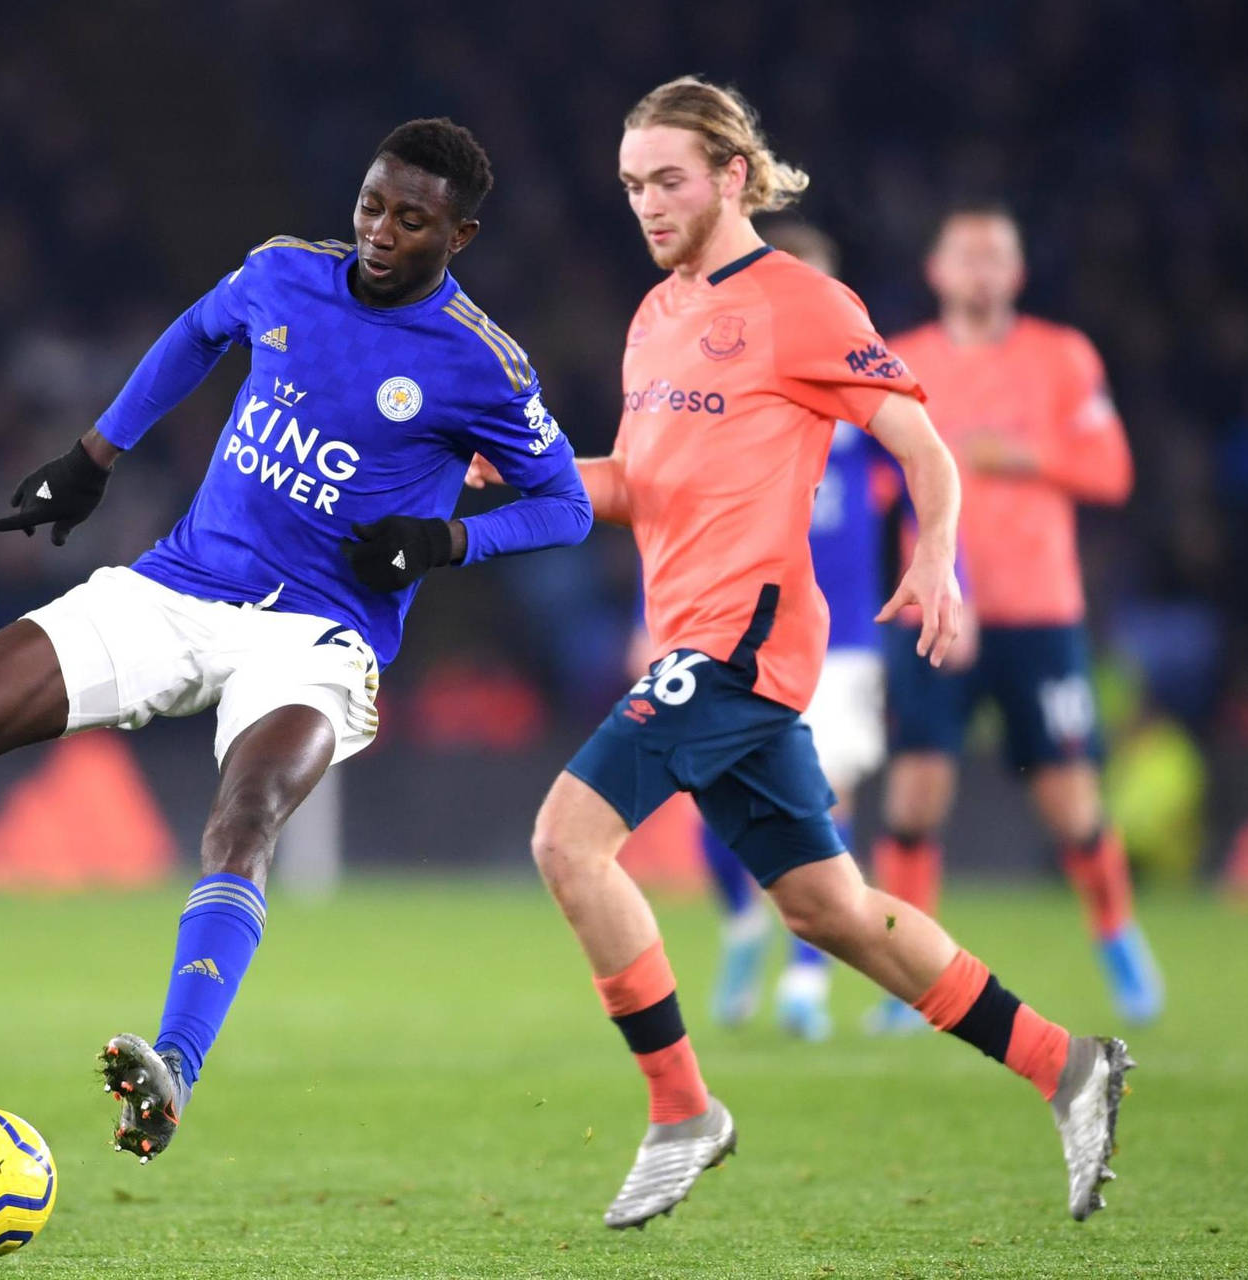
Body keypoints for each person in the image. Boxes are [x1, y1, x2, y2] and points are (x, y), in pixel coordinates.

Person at [0, 120, 594, 1165]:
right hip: (179, 584)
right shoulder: (285, 274)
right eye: (373, 205)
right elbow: (198, 332)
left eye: (413, 219)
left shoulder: (482, 363)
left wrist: (447, 537)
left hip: (318, 634)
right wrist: (94, 454)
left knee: (245, 815)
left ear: (460, 235)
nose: (381, 233)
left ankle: (172, 1068)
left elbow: (563, 506)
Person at [472, 77, 1131, 1230]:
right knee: (833, 910)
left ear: (734, 175)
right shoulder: (653, 315)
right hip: (694, 636)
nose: (647, 204)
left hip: (746, 638)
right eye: (631, 185)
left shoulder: (804, 302)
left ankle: (682, 1108)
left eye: (667, 179)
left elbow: (924, 442)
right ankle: (1068, 1063)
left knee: (568, 839)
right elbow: (636, 488)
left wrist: (933, 558)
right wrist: (519, 475)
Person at [869, 206, 1163, 1032]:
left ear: (1017, 273)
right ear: (937, 270)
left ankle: (1118, 938)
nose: (980, 270)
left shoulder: (1062, 357)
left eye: (996, 255)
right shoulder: (902, 361)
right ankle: (907, 977)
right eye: (965, 255)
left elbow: (1112, 471)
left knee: (1071, 796)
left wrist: (1021, 455)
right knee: (916, 792)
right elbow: (878, 487)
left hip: (1039, 611)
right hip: (938, 611)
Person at [683, 220, 900, 1039]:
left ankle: (807, 978)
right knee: (714, 795)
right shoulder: (723, 391)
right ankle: (743, 925)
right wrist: (648, 614)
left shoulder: (862, 387)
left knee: (821, 798)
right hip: (737, 625)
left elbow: (918, 478)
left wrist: (949, 578)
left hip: (841, 637)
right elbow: (672, 505)